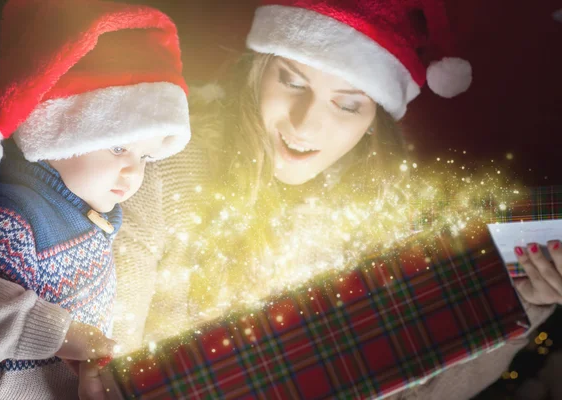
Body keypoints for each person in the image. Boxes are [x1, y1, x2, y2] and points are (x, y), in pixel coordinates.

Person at [112, 0, 560, 399]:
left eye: (347, 105)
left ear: (373, 121)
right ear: (258, 70)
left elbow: (413, 386)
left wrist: (520, 307)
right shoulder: (162, 164)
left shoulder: (385, 226)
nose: (305, 124)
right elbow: (106, 352)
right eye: (292, 82)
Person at [0, 0, 190, 399]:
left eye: (145, 156)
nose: (134, 172)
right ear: (59, 135)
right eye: (119, 148)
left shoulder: (87, 218)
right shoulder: (11, 217)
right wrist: (60, 333)